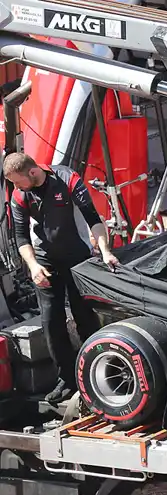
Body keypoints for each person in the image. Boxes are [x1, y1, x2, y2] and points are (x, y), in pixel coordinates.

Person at [4, 152, 120, 402]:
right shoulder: (19, 195)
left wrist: (105, 251)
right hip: (45, 259)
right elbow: (21, 238)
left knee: (85, 316)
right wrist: (33, 266)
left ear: (32, 172)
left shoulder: (67, 178)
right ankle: (66, 378)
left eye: (18, 181)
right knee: (51, 320)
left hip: (78, 255)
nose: (15, 187)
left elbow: (93, 218)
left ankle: (96, 371)